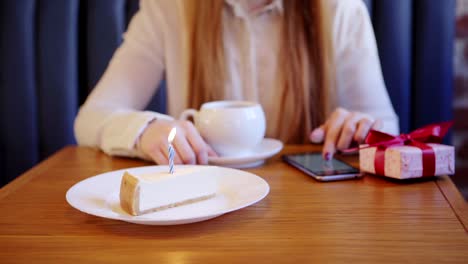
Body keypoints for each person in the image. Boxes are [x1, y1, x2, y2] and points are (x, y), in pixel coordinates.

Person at [74, 0, 398, 165]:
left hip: (314, 216)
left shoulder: (339, 9)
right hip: (203, 208)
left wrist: (360, 129)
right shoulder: (169, 8)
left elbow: (387, 130)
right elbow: (91, 118)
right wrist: (145, 131)